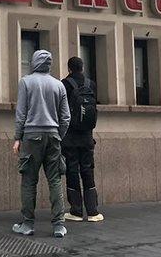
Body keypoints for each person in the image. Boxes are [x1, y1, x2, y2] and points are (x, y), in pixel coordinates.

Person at [12, 49, 71, 238]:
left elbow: (21, 114)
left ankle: (28, 224)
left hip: (31, 136)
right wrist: (58, 135)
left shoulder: (26, 82)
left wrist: (17, 137)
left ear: (34, 62)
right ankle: (59, 225)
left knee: (29, 181)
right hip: (53, 136)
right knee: (54, 180)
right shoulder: (58, 85)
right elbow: (66, 117)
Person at [61, 56, 104, 223]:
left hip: (70, 137)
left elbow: (62, 111)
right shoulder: (90, 84)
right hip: (87, 136)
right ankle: (93, 211)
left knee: (72, 170)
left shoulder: (64, 84)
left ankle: (76, 211)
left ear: (69, 69)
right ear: (82, 67)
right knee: (87, 170)